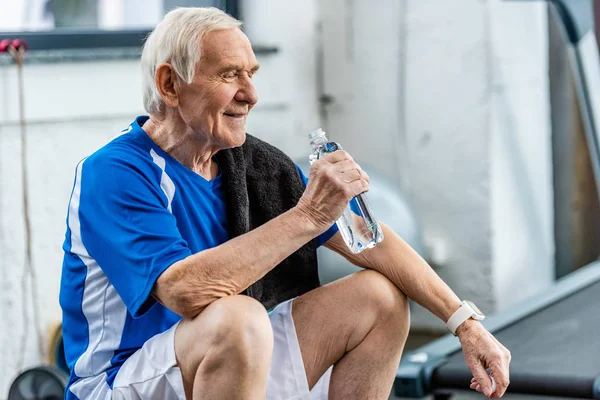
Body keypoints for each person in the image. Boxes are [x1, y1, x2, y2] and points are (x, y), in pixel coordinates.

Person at [59, 6, 511, 400]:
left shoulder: (253, 166)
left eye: (251, 74)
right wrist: (309, 215)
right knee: (238, 317)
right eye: (228, 74)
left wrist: (465, 323)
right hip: (122, 380)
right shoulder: (115, 172)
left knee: (380, 299)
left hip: (229, 357)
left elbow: (369, 240)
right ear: (170, 85)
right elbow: (185, 291)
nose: (251, 94)